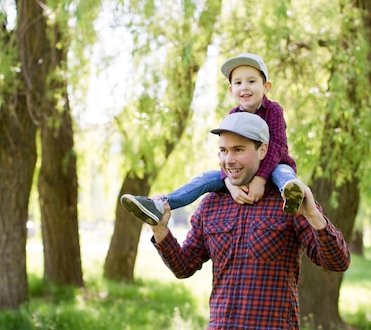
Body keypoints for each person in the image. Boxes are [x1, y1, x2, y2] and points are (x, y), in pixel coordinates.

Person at [148, 112, 350, 330]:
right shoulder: (210, 204)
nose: (228, 160)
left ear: (263, 150)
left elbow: (337, 261)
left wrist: (312, 213)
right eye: (223, 150)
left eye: (238, 150)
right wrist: (160, 230)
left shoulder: (289, 201)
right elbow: (184, 266)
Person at [121, 52, 305, 225]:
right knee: (205, 179)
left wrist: (260, 180)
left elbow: (277, 148)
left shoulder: (273, 111)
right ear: (231, 89)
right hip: (241, 170)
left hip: (272, 167)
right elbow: (226, 154)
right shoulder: (233, 116)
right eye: (238, 83)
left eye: (251, 81)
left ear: (266, 87)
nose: (245, 87)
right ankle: (161, 205)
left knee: (284, 173)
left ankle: (291, 195)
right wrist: (230, 184)